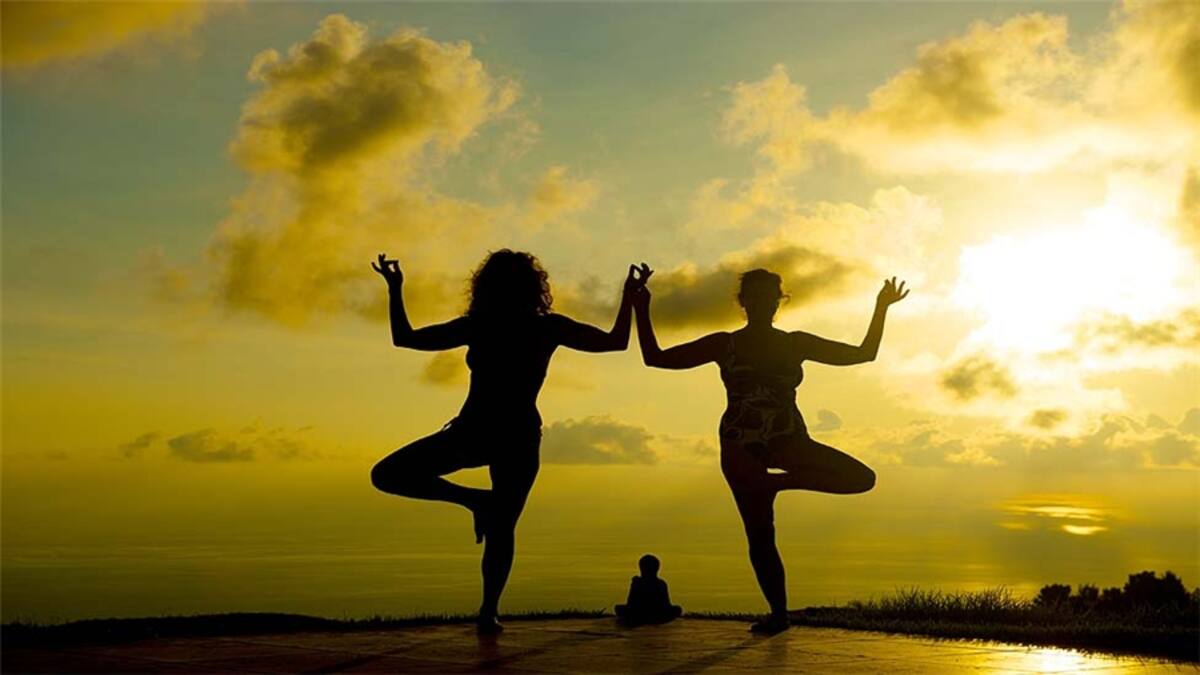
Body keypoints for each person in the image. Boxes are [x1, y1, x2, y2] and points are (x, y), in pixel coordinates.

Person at [370, 250, 648, 634]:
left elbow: (405, 338)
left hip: (479, 432)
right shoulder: (543, 327)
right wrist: (628, 299)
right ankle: (487, 602)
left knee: (389, 475)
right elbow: (617, 342)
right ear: (535, 288)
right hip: (513, 435)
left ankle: (487, 592)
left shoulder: (481, 325)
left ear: (485, 287)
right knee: (500, 525)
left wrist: (395, 289)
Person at [630, 265, 908, 634]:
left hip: (789, 437)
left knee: (861, 478)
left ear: (779, 301)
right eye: (755, 296)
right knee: (760, 535)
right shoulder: (724, 344)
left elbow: (863, 353)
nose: (763, 303)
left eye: (770, 297)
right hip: (739, 445)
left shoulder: (796, 343)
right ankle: (779, 615)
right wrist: (640, 306)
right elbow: (656, 358)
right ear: (744, 302)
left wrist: (882, 307)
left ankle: (776, 484)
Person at [615, 554, 683, 626]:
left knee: (619, 608)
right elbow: (667, 604)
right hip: (654, 613)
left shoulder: (639, 582)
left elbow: (631, 602)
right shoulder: (661, 583)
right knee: (677, 609)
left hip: (645, 612)